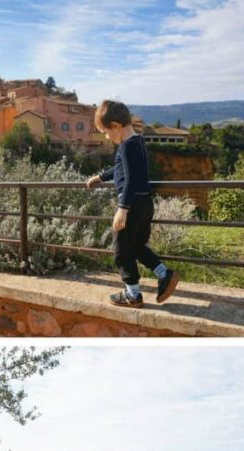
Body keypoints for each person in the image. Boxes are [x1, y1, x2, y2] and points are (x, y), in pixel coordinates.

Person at [86, 100, 179, 307]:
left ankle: (133, 295)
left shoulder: (127, 146)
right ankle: (164, 274)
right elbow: (120, 169)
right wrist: (100, 177)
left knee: (121, 252)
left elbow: (130, 180)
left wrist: (122, 209)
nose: (106, 137)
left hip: (132, 205)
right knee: (136, 246)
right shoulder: (136, 142)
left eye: (106, 132)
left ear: (116, 126)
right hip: (144, 203)